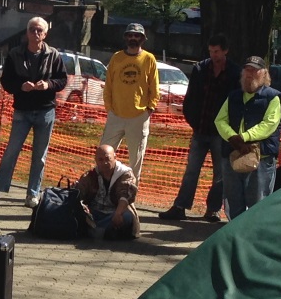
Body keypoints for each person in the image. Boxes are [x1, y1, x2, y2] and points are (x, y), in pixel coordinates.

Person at [0, 16, 66, 209]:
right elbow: (6, 81)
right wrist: (21, 86)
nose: (35, 33)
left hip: (46, 111)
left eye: (39, 30)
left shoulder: (53, 55)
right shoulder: (15, 54)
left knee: (40, 156)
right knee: (11, 152)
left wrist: (48, 84)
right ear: (27, 33)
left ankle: (32, 194)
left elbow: (62, 80)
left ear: (45, 34)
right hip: (22, 110)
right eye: (32, 30)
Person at [160, 33, 233, 221]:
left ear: (225, 51)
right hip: (200, 128)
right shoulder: (200, 69)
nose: (214, 55)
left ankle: (213, 209)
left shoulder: (234, 72)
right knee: (192, 169)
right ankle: (180, 206)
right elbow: (190, 99)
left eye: (217, 51)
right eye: (211, 51)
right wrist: (193, 121)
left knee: (220, 173)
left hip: (221, 132)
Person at [214, 56, 281, 219]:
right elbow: (220, 120)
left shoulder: (273, 97)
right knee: (233, 199)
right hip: (233, 155)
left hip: (261, 158)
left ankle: (254, 235)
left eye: (254, 70)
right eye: (247, 70)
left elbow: (269, 125)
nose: (250, 73)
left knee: (258, 201)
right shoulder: (233, 96)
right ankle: (234, 231)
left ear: (264, 74)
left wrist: (244, 137)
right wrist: (233, 138)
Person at [100, 22, 159, 166]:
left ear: (142, 38)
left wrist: (149, 109)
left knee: (135, 161)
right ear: (126, 38)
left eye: (137, 35)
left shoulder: (149, 58)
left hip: (139, 117)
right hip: (116, 115)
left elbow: (154, 87)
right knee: (103, 155)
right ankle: (104, 187)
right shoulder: (116, 57)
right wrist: (109, 108)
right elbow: (108, 85)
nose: (133, 38)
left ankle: (131, 188)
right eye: (130, 35)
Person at [76, 143, 139, 240]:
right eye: (100, 160)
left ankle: (95, 230)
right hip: (94, 212)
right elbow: (79, 192)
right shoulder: (90, 175)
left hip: (115, 212)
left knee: (127, 217)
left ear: (115, 157)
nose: (104, 163)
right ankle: (102, 231)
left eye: (107, 159)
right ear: (96, 160)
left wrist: (118, 213)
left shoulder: (125, 174)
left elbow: (125, 196)